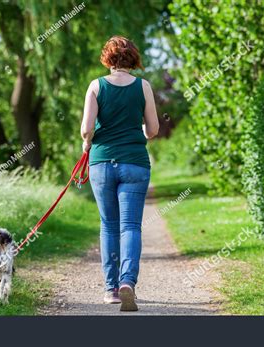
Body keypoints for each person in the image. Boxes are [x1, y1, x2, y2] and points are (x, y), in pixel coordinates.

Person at [80, 35, 159, 311]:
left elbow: (86, 128)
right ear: (133, 58)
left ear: (108, 59)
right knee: (130, 227)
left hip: (102, 164)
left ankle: (111, 289)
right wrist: (141, 132)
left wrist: (87, 142)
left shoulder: (96, 86)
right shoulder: (143, 86)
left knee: (109, 225)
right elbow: (153, 130)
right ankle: (128, 282)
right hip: (135, 163)